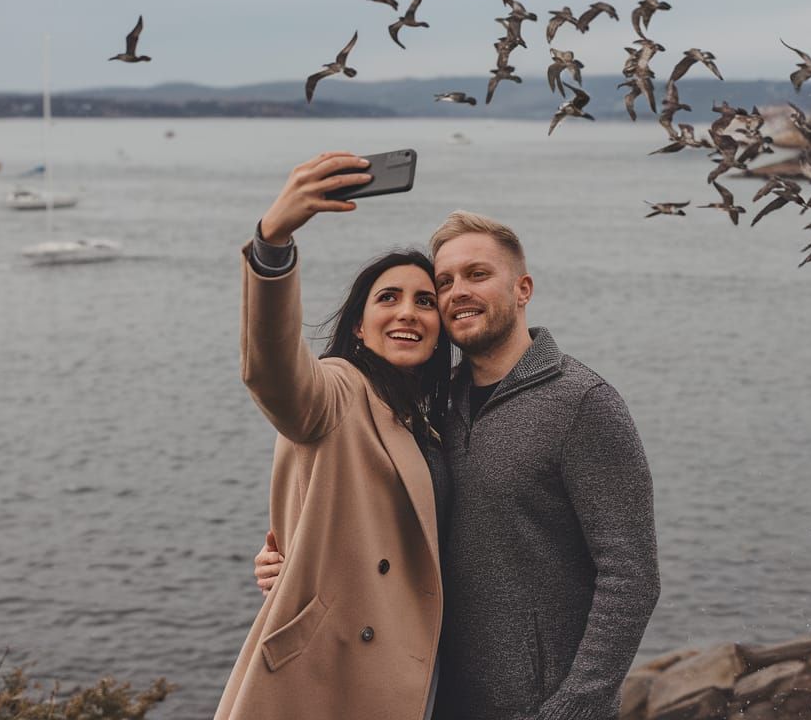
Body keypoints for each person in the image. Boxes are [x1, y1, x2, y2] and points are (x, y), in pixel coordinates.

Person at [256, 208, 662, 720]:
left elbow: (631, 576)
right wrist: (298, 561)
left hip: (538, 707)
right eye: (444, 282)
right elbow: (398, 531)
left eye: (478, 274)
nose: (457, 292)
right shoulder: (438, 406)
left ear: (522, 289)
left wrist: (574, 705)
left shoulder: (582, 403)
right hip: (434, 696)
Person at [215, 151, 452, 720]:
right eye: (388, 298)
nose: (409, 312)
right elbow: (272, 373)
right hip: (334, 669)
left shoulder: (436, 415)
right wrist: (274, 243)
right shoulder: (339, 391)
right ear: (359, 327)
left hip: (425, 659)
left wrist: (296, 553)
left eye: (426, 301)